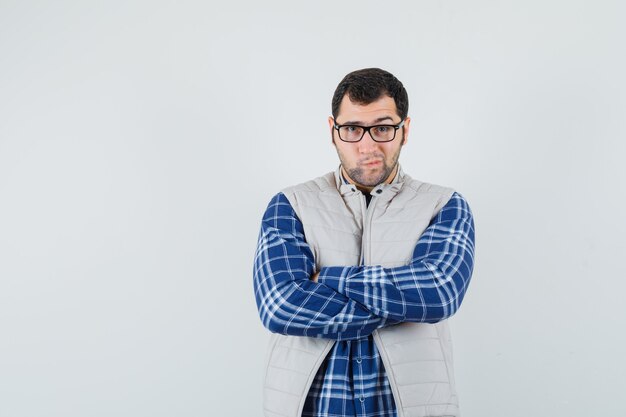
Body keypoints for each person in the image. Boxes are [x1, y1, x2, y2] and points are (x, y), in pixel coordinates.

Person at [253, 68, 475, 417]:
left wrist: (324, 279)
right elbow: (279, 305)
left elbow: (439, 291)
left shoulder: (443, 204)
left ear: (405, 131)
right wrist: (402, 303)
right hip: (312, 407)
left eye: (383, 128)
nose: (368, 145)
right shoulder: (290, 204)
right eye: (353, 129)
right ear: (333, 131)